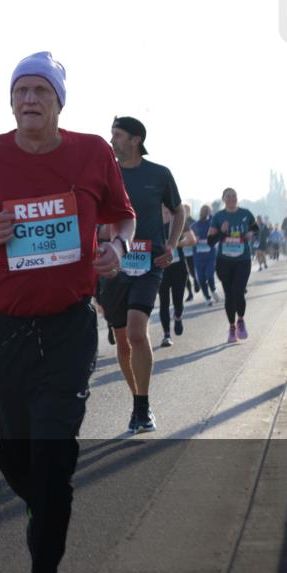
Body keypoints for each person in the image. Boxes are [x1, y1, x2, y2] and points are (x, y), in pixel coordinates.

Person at [0, 53, 135, 573]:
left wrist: (118, 248)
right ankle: (38, 503)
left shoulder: (92, 152)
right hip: (6, 331)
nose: (29, 99)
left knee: (54, 453)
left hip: (69, 326)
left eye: (40, 91)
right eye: (21, 90)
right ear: (11, 101)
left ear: (58, 102)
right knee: (15, 457)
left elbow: (123, 215)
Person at [99, 116, 184, 435]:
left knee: (137, 332)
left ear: (136, 139)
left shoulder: (159, 174)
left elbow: (178, 210)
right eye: (111, 135)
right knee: (122, 339)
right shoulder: (106, 173)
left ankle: (143, 407)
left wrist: (171, 245)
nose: (112, 140)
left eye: (117, 135)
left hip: (149, 263)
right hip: (114, 265)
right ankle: (136, 398)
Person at [209, 189, 258, 343]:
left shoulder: (246, 213)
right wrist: (221, 232)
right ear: (223, 199)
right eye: (228, 196)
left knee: (238, 291)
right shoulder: (218, 217)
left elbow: (256, 228)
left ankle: (241, 320)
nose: (231, 198)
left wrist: (251, 233)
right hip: (224, 261)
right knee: (229, 295)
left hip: (243, 259)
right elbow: (210, 241)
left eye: (234, 196)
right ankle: (232, 327)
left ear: (237, 198)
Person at [157, 205, 196, 347]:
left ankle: (178, 316)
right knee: (164, 302)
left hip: (178, 267)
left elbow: (192, 240)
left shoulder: (177, 219)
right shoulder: (153, 219)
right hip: (161, 267)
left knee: (178, 301)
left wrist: (175, 244)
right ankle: (166, 335)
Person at [191, 205, 221, 306]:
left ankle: (213, 290)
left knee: (210, 275)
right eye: (204, 211)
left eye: (208, 211)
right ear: (200, 212)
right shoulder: (194, 226)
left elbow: (218, 233)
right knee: (201, 279)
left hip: (210, 255)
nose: (206, 213)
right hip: (198, 257)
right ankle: (207, 297)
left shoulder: (212, 224)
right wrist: (194, 239)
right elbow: (189, 239)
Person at [182, 204, 197, 301]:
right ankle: (190, 292)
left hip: (191, 251)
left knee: (192, 270)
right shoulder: (177, 221)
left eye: (186, 210)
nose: (185, 212)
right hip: (181, 252)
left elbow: (196, 237)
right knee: (185, 273)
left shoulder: (193, 222)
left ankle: (196, 282)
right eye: (183, 210)